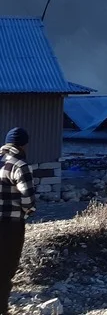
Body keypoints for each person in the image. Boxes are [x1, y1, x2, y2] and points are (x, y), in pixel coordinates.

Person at [0, 128, 34, 315]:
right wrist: (28, 212)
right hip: (9, 226)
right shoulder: (19, 166)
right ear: (23, 145)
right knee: (5, 269)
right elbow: (28, 199)